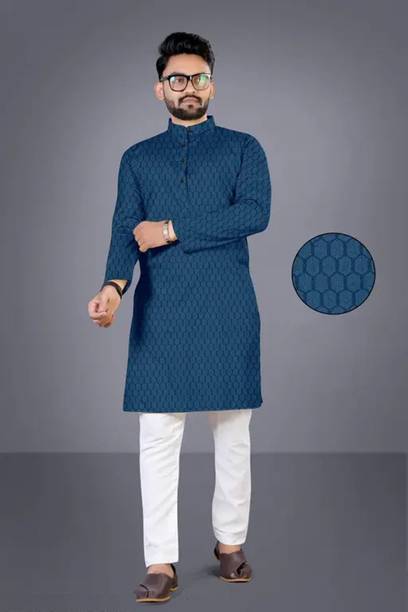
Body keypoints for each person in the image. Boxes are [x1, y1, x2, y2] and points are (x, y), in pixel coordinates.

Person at [88, 31, 272, 603]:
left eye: (198, 78)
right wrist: (113, 287)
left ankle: (230, 544)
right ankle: (160, 561)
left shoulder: (243, 149)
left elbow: (254, 213)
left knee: (233, 433)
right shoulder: (138, 158)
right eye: (177, 79)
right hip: (161, 310)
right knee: (158, 437)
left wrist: (170, 228)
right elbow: (125, 231)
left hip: (227, 307)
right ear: (159, 89)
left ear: (212, 85)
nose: (188, 87)